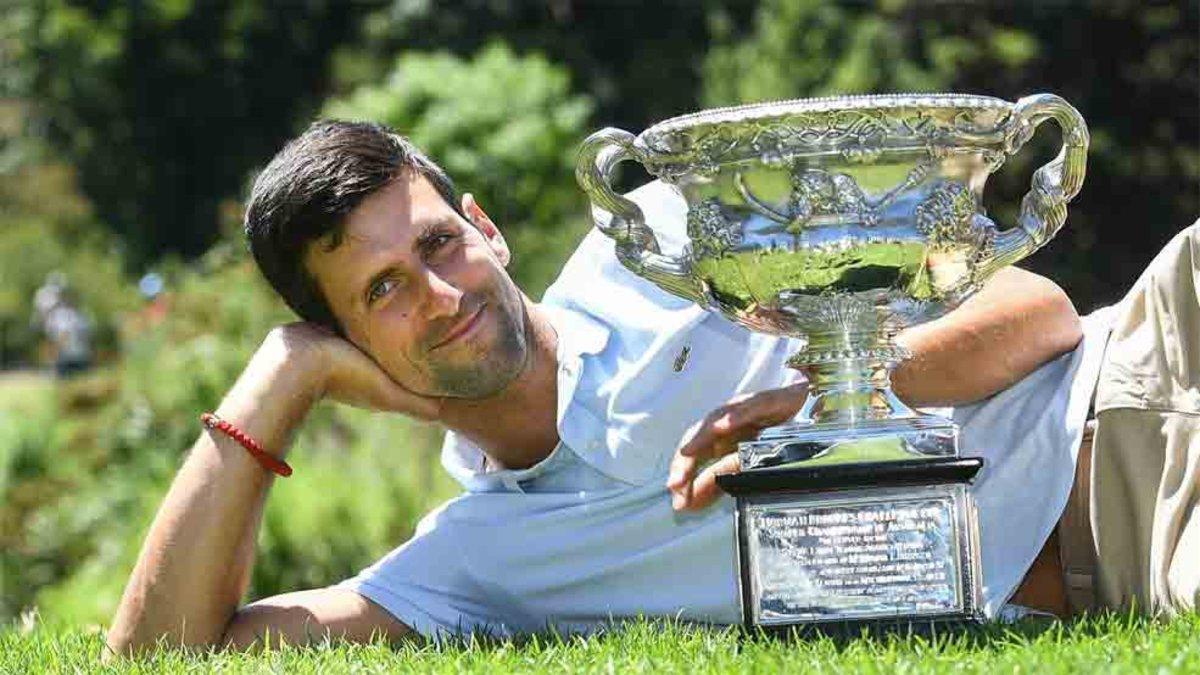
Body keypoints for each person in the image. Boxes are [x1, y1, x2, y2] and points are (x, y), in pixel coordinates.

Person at [104, 120, 1190, 654]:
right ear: (335, 334)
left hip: (1134, 371)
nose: (439, 296)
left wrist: (828, 397)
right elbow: (162, 657)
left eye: (439, 244)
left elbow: (1040, 314)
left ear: (484, 226)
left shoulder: (664, 240)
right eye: (382, 291)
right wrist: (274, 384)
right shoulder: (475, 557)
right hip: (1141, 536)